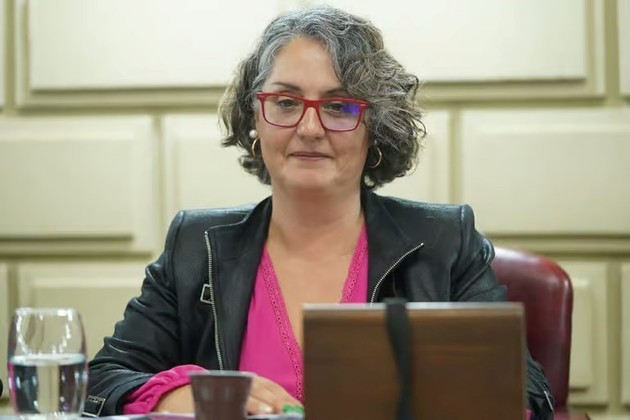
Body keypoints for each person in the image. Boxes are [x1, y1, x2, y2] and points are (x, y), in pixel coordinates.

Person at [86, 6, 554, 419]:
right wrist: (179, 395)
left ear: (375, 127)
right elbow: (103, 380)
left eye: (339, 106)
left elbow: (526, 395)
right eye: (286, 102)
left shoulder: (445, 241)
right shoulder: (196, 244)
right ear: (255, 119)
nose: (310, 128)